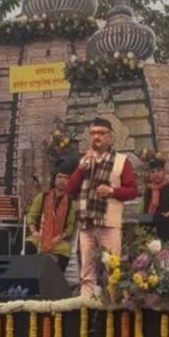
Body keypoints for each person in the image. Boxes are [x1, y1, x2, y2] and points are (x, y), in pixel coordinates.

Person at [66, 117, 138, 297]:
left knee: (112, 268)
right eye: (93, 133)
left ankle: (112, 302)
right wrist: (81, 168)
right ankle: (86, 304)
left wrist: (111, 190)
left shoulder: (122, 161)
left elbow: (133, 191)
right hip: (86, 223)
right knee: (86, 271)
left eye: (101, 133)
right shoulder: (84, 161)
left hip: (109, 223)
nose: (96, 137)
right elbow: (69, 189)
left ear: (110, 137)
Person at [25, 159, 80, 271]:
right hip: (39, 237)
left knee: (65, 250)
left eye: (65, 178)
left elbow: (70, 228)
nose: (62, 180)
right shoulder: (42, 197)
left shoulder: (71, 203)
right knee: (29, 245)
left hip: (57, 240)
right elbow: (31, 216)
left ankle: (56, 279)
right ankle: (31, 276)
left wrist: (59, 237)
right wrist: (35, 232)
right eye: (59, 177)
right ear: (54, 179)